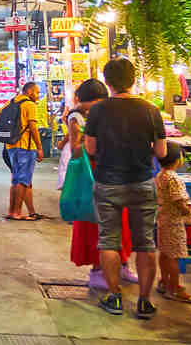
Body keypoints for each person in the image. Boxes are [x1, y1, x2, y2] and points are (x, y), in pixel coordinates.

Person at [84, 58, 167, 319]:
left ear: (107, 81)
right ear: (133, 79)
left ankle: (115, 296)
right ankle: (144, 301)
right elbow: (162, 151)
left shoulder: (98, 111)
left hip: (108, 182)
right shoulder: (150, 110)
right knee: (146, 243)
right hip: (142, 181)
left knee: (108, 239)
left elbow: (90, 148)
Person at [65, 78, 135, 289]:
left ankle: (123, 264)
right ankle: (97, 270)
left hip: (114, 172)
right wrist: (89, 138)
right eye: (94, 102)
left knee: (121, 221)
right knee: (95, 223)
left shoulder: (109, 113)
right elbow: (76, 149)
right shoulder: (76, 117)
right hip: (91, 175)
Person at [155, 141, 191, 304]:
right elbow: (179, 200)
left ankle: (164, 282)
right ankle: (174, 288)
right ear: (178, 159)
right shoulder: (174, 178)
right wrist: (187, 210)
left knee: (165, 253)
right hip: (174, 223)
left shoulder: (160, 175)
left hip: (163, 220)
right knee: (174, 256)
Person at [0, 81, 42, 221]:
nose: (38, 95)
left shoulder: (12, 102)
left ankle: (11, 211)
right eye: (37, 92)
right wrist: (40, 147)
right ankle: (17, 212)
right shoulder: (29, 105)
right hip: (26, 146)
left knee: (16, 179)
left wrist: (10, 133)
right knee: (23, 180)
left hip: (10, 146)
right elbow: (33, 128)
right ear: (30, 92)